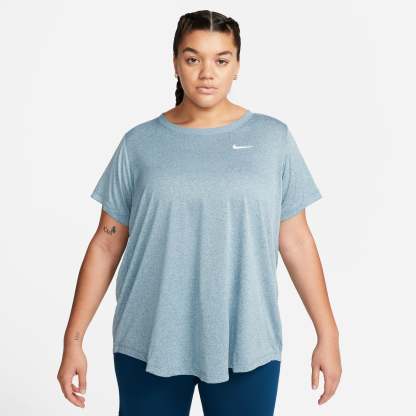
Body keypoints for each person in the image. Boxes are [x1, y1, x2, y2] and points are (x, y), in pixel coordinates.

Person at [57, 9, 342, 415]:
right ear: (175, 63)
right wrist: (73, 340)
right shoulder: (139, 144)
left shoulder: (272, 139)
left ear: (237, 65)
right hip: (149, 339)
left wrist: (327, 334)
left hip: (246, 341)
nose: (207, 73)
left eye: (221, 60)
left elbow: (296, 240)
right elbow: (105, 245)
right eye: (193, 59)